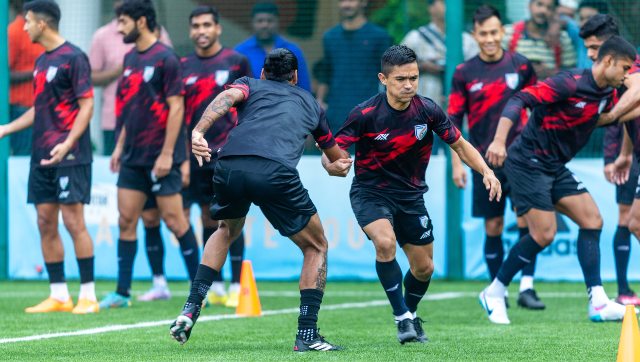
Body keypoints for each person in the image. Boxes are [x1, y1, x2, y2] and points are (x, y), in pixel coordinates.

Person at [169, 48, 349, 352]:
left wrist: (199, 132)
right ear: (294, 77)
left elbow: (226, 99)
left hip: (229, 165)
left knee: (225, 230)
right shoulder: (311, 103)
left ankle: (190, 307)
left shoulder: (249, 84)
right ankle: (307, 335)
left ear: (263, 73)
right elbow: (338, 161)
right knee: (316, 246)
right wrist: (332, 165)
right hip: (274, 171)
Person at [333, 45, 501, 343]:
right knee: (385, 243)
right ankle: (401, 319)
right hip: (371, 193)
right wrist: (334, 163)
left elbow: (460, 145)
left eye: (414, 77)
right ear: (383, 79)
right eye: (401, 79)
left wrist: (486, 171)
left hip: (411, 197)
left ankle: (408, 314)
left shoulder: (427, 110)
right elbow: (333, 150)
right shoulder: (365, 114)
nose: (409, 84)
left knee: (424, 268)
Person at [480, 35, 637, 324]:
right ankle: (494, 291)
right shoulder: (570, 82)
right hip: (527, 162)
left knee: (592, 220)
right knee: (544, 234)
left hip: (553, 166)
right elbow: (520, 98)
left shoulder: (609, 92)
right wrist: (500, 141)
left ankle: (599, 302)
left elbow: (621, 111)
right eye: (625, 68)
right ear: (608, 62)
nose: (628, 75)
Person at [99, 0, 199, 309]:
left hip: (160, 158)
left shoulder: (167, 59)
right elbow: (130, 107)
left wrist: (169, 154)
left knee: (175, 221)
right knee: (127, 220)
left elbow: (177, 109)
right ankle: (122, 292)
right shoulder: (130, 57)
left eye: (124, 22)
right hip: (132, 158)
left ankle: (199, 290)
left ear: (141, 21)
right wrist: (118, 147)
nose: (119, 28)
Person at [0, 0, 98, 314]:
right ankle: (59, 294)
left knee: (73, 222)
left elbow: (87, 106)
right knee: (45, 222)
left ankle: (88, 295)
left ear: (42, 24)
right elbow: (39, 108)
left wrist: (68, 143)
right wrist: (6, 128)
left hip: (71, 156)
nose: (23, 26)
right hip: (41, 155)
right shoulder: (42, 62)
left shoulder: (75, 57)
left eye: (27, 21)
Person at [448, 5, 544, 310]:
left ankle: (527, 287)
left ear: (503, 32)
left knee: (529, 221)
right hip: (482, 163)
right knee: (494, 227)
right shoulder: (464, 73)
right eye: (483, 33)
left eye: (494, 32)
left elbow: (539, 109)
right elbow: (452, 121)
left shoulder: (522, 66)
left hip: (522, 159)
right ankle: (497, 290)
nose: (489, 38)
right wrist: (456, 165)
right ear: (474, 35)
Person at [181, 6, 252, 308]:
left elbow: (250, 106)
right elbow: (179, 113)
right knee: (205, 217)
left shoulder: (236, 61)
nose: (201, 30)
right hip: (196, 155)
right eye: (196, 25)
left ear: (218, 28)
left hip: (229, 154)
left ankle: (237, 284)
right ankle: (217, 284)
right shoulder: (182, 65)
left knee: (232, 218)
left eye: (207, 24)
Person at [316, 0, 392, 132]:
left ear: (363, 3)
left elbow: (389, 75)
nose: (346, 5)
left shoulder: (379, 36)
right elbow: (326, 73)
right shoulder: (330, 37)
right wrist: (320, 102)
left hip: (370, 115)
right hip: (336, 115)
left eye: (351, 0)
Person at [401, 0, 479, 107]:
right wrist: (421, 66)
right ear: (431, 8)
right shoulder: (416, 38)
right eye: (443, 2)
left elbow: (479, 71)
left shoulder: (467, 40)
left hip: (459, 107)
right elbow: (396, 68)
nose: (448, 5)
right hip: (423, 108)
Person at [235, 2, 311, 92]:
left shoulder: (293, 50)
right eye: (260, 21)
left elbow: (304, 88)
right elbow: (234, 88)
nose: (265, 25)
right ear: (252, 23)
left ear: (277, 22)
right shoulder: (240, 52)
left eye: (270, 21)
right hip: (252, 105)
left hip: (287, 105)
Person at [503, 0, 576, 80]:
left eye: (549, 7)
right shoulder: (508, 33)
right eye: (539, 4)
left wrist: (550, 73)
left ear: (554, 12)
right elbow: (495, 67)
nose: (543, 10)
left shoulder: (562, 39)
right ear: (529, 5)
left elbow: (572, 75)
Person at [8, 0, 43, 156]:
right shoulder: (14, 31)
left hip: (41, 105)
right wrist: (35, 72)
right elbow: (5, 75)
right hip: (21, 107)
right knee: (24, 155)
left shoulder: (41, 29)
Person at [575, 0, 608, 69]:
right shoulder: (580, 38)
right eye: (581, 18)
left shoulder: (614, 49)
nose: (583, 24)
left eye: (589, 18)